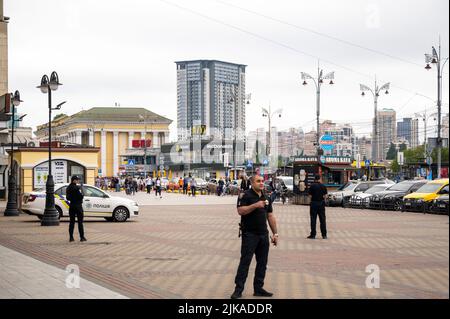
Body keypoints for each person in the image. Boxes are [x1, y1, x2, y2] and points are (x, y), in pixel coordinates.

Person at [231, 175, 279, 299]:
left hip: (263, 234)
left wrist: (275, 233)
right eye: (258, 181)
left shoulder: (266, 196)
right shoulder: (245, 195)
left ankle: (258, 288)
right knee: (245, 262)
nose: (261, 183)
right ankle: (238, 290)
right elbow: (240, 211)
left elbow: (270, 216)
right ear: (252, 183)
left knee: (262, 263)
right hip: (249, 235)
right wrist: (255, 205)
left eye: (262, 181)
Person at [66, 175, 86, 242]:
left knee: (72, 222)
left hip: (71, 206)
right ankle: (82, 237)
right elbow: (81, 196)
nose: (78, 181)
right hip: (78, 206)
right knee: (80, 222)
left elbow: (67, 198)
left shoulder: (68, 187)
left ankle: (71, 237)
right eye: (77, 180)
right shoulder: (76, 188)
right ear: (74, 180)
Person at [307, 175, 328, 239]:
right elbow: (325, 196)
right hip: (321, 204)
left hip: (314, 203)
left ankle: (313, 235)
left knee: (313, 219)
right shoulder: (323, 186)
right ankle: (324, 235)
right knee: (322, 219)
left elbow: (310, 196)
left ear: (315, 179)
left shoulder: (312, 186)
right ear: (320, 179)